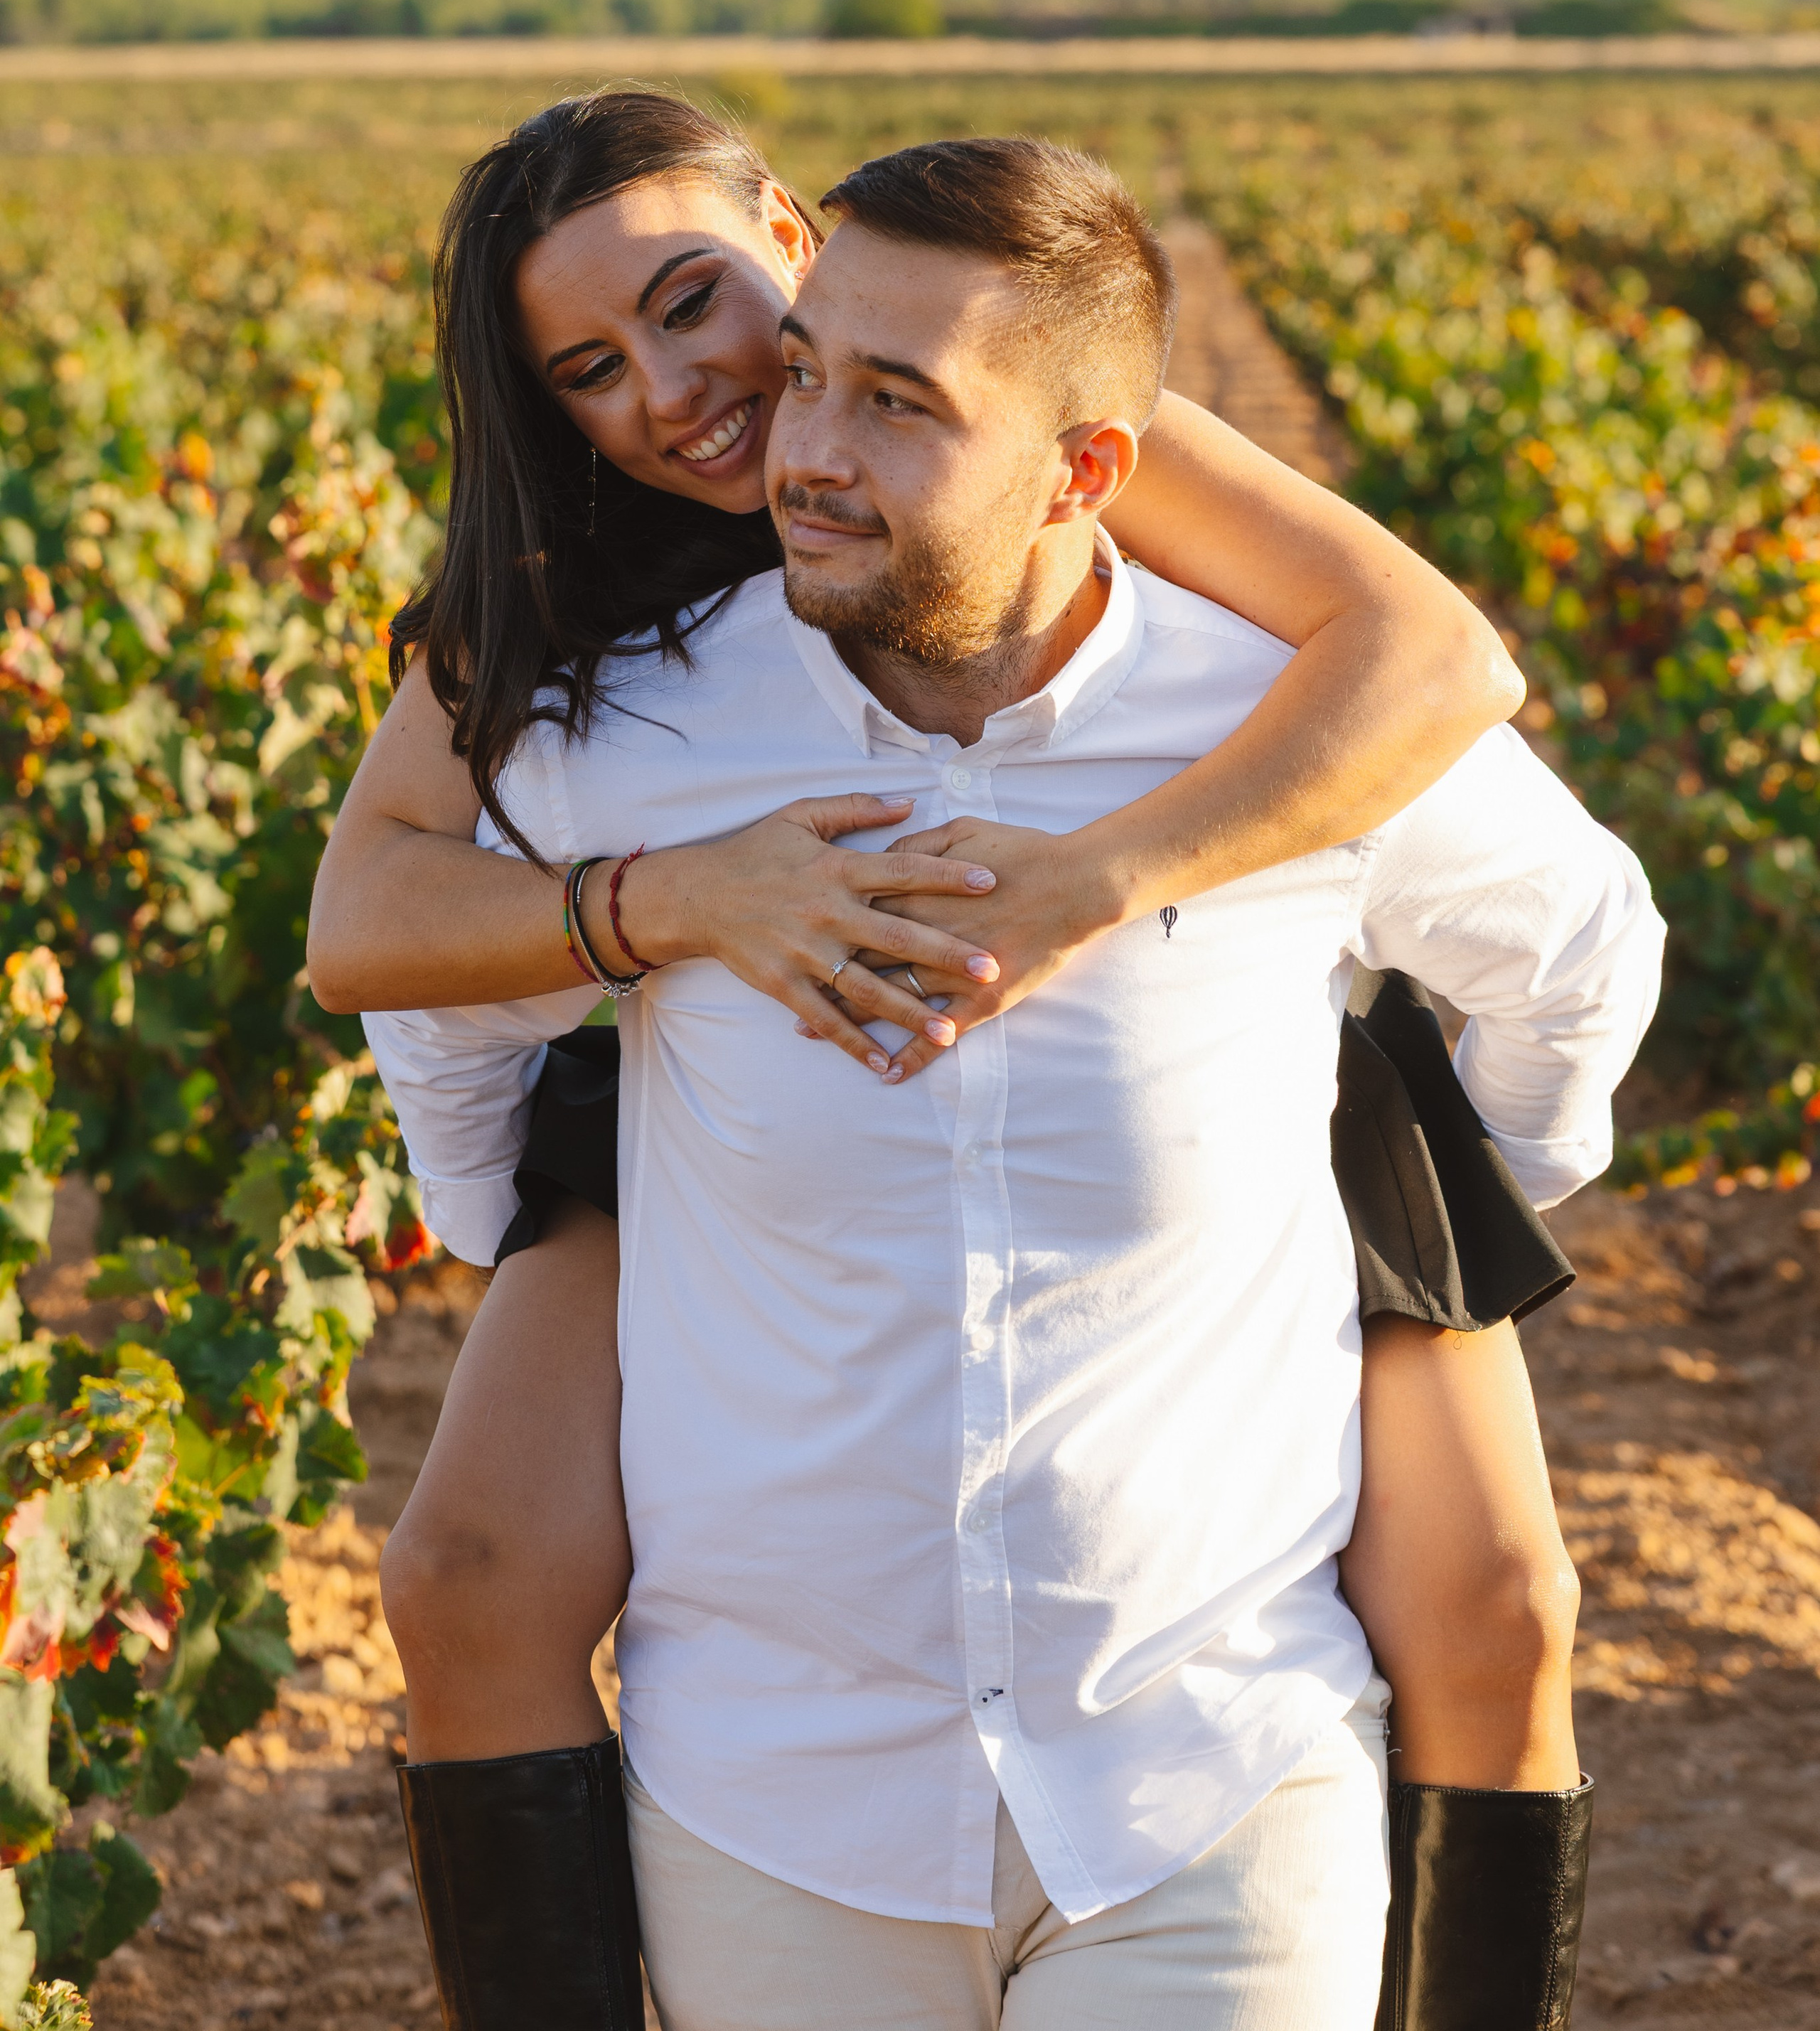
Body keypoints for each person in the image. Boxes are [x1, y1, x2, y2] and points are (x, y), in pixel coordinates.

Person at [304, 97, 1590, 2025]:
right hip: (672, 1039)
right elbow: (375, 929)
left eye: (692, 303)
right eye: (590, 369)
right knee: (470, 1573)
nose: (677, 393)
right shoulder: (575, 616)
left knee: (1497, 1602)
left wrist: (1112, 889)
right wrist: (663, 918)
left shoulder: (1045, 434)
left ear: (791, 233)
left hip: (1241, 1046)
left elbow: (1435, 662)